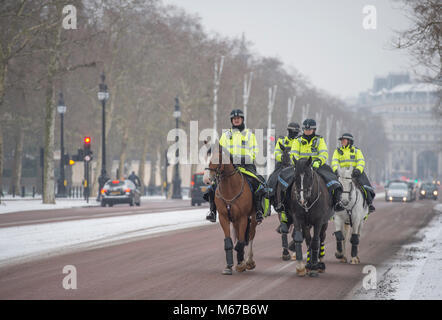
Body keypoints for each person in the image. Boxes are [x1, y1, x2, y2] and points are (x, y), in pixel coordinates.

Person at [205, 109, 266, 223]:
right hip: (229, 167)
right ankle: (212, 211)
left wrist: (242, 159)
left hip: (246, 165)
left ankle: (258, 211)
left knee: (258, 184)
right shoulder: (226, 135)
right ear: (231, 121)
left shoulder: (249, 135)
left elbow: (254, 152)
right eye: (234, 119)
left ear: (242, 119)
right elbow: (220, 150)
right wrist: (213, 148)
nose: (236, 120)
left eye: (238, 118)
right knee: (212, 187)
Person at [290, 118, 344, 211]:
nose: (307, 131)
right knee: (287, 181)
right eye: (305, 129)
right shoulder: (297, 140)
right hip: (300, 167)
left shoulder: (319, 140)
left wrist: (318, 161)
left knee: (333, 179)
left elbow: (324, 153)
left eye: (309, 129)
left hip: (317, 166)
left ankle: (336, 202)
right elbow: (293, 153)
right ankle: (284, 204)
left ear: (314, 130)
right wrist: (299, 164)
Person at [331, 133, 376, 213]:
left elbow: (361, 161)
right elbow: (334, 161)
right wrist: (336, 170)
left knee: (365, 184)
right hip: (342, 174)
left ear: (349, 141)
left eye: (343, 140)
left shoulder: (356, 151)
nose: (342, 142)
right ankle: (334, 204)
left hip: (355, 173)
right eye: (341, 140)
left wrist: (358, 170)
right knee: (333, 186)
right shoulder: (337, 151)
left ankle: (369, 203)